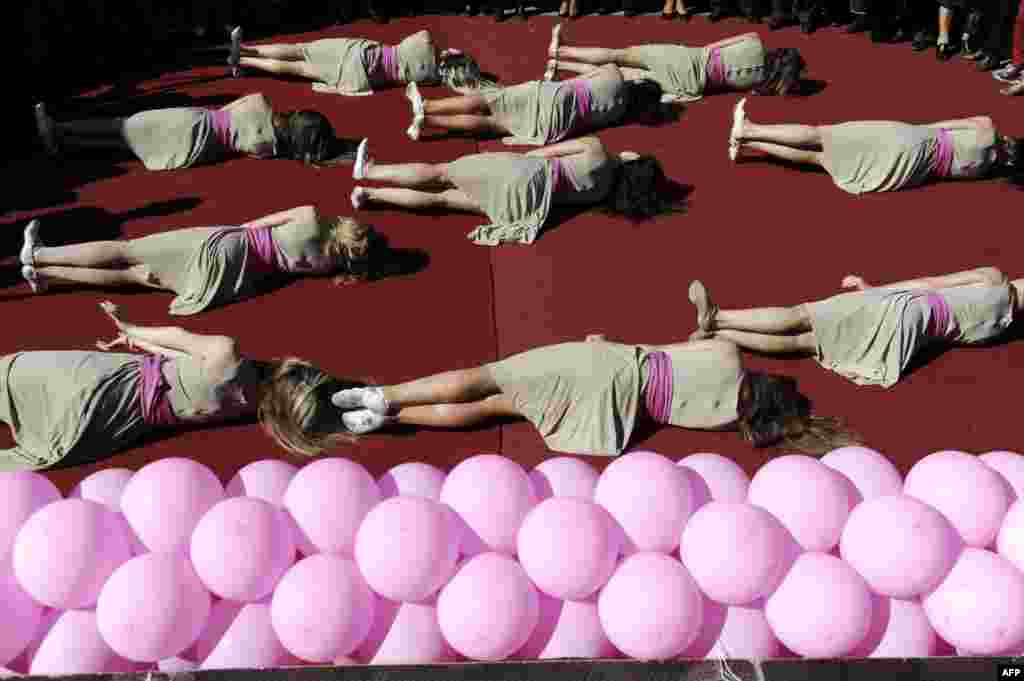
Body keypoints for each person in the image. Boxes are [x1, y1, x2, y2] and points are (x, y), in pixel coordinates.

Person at [256, 335, 859, 458]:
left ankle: (382, 396)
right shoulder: (728, 420)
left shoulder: (729, 355)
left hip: (605, 367)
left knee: (489, 375)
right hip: (619, 414)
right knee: (498, 404)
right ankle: (378, 421)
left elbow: (668, 347)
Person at [0, 302, 349, 471]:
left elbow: (178, 340)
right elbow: (181, 369)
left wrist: (130, 328)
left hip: (104, 382)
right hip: (115, 422)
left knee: (11, 373)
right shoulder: (246, 409)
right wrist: (135, 343)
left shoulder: (227, 353)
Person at [687, 268, 1021, 389]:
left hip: (904, 307)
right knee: (808, 342)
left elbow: (928, 284)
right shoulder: (998, 329)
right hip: (909, 337)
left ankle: (718, 318)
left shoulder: (993, 278)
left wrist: (872, 289)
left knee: (801, 316)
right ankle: (718, 334)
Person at [12, 206, 378, 313]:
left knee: (128, 250)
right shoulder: (327, 266)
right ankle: (48, 277)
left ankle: (41, 254)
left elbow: (252, 221)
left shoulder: (312, 216)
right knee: (134, 277)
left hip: (230, 245)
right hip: (235, 278)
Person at [348, 135, 678, 246]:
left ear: (634, 162)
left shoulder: (598, 149)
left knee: (441, 173)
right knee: (443, 199)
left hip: (526, 173)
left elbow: (541, 153)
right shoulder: (604, 194)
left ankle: (370, 171)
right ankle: (371, 196)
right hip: (528, 205)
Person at [728, 98, 1022, 193]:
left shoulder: (987, 127)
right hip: (911, 171)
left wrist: (912, 131)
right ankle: (747, 142)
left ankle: (750, 129)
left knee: (822, 137)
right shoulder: (984, 171)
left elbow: (943, 126)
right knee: (818, 160)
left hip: (915, 140)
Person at [33, 93, 343, 170]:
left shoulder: (260, 102)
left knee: (125, 126)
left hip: (195, 119)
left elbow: (232, 108)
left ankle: (61, 131)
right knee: (127, 142)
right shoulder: (265, 146)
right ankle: (63, 139)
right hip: (199, 141)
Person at [403, 63, 674, 144]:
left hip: (554, 94)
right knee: (493, 123)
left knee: (491, 99)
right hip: (556, 125)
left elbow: (581, 78)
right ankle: (427, 121)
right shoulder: (620, 113)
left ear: (638, 82)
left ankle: (427, 106)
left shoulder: (614, 73)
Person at [545, 24, 806, 103]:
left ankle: (561, 51)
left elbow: (715, 46)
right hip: (693, 84)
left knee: (618, 54)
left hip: (690, 58)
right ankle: (560, 68)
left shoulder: (754, 41)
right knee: (621, 73)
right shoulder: (761, 84)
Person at [227, 27, 483, 96]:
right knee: (299, 68)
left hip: (359, 54)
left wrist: (449, 52)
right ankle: (246, 63)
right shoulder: (432, 79)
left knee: (300, 50)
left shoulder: (425, 43)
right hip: (359, 78)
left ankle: (247, 50)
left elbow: (429, 36)